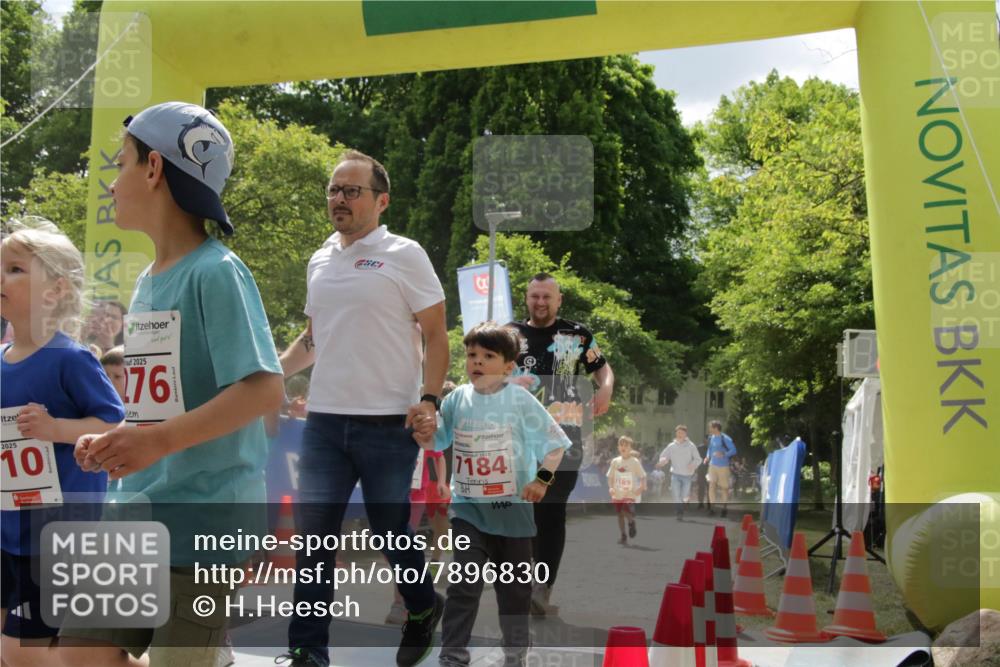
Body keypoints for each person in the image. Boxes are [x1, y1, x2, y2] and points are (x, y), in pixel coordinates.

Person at [59, 102, 285, 667]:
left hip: (204, 526)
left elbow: (263, 390)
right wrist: (118, 437)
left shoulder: (218, 271)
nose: (112, 181)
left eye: (122, 163)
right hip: (134, 513)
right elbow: (158, 402)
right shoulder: (145, 282)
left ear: (155, 169)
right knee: (79, 655)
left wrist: (157, 442)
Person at [277, 149, 449, 667]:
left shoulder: (406, 254)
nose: (339, 199)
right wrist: (268, 376)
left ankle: (422, 607)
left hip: (388, 424)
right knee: (315, 540)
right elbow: (313, 340)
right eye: (333, 189)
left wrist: (429, 399)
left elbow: (437, 336)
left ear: (381, 200)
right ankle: (308, 651)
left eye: (352, 191)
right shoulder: (320, 258)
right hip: (325, 424)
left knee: (389, 531)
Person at [1, 220, 125, 667]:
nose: (0, 277)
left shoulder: (70, 358)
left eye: (13, 269)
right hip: (6, 530)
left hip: (56, 533)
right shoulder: (1, 360)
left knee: (22, 653)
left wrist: (56, 429)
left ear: (54, 291)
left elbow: (114, 421)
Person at [432, 323, 569, 667]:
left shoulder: (520, 400)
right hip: (468, 512)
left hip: (514, 516)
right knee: (463, 583)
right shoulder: (456, 399)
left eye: (488, 356)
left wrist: (540, 481)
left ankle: (515, 654)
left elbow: (555, 447)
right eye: (472, 355)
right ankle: (453, 654)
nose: (476, 362)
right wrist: (422, 428)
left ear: (509, 366)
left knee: (515, 594)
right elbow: (436, 441)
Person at [508, 273, 614, 615]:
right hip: (518, 439)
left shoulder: (577, 334)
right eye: (535, 296)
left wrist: (606, 387)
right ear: (527, 297)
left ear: (559, 300)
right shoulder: (508, 334)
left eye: (547, 297)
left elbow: (602, 368)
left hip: (564, 440)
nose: (541, 303)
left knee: (551, 511)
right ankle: (523, 581)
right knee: (523, 511)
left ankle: (542, 588)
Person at [656, 425, 702, 520]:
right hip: (675, 474)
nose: (679, 435)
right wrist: (663, 460)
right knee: (676, 494)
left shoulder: (691, 446)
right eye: (678, 433)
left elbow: (698, 459)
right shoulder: (671, 446)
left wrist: (692, 465)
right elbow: (663, 456)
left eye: (681, 433)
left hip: (687, 475)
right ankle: (679, 512)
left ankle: (683, 502)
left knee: (684, 495)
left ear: (686, 434)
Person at [606, 436, 645, 545]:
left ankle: (632, 522)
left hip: (630, 493)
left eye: (626, 445)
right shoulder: (615, 461)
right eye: (621, 445)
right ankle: (623, 535)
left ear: (630, 448)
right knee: (619, 514)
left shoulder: (635, 461)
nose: (623, 447)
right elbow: (610, 477)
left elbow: (642, 475)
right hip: (617, 493)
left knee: (624, 509)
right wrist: (611, 487)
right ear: (618, 447)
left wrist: (641, 487)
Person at [705, 420, 737, 518]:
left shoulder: (725, 438)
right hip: (712, 465)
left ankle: (724, 508)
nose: (709, 429)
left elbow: (734, 450)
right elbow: (710, 449)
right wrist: (707, 457)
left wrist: (723, 454)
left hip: (723, 466)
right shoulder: (711, 438)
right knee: (711, 486)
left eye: (711, 427)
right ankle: (712, 508)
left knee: (724, 488)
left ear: (716, 428)